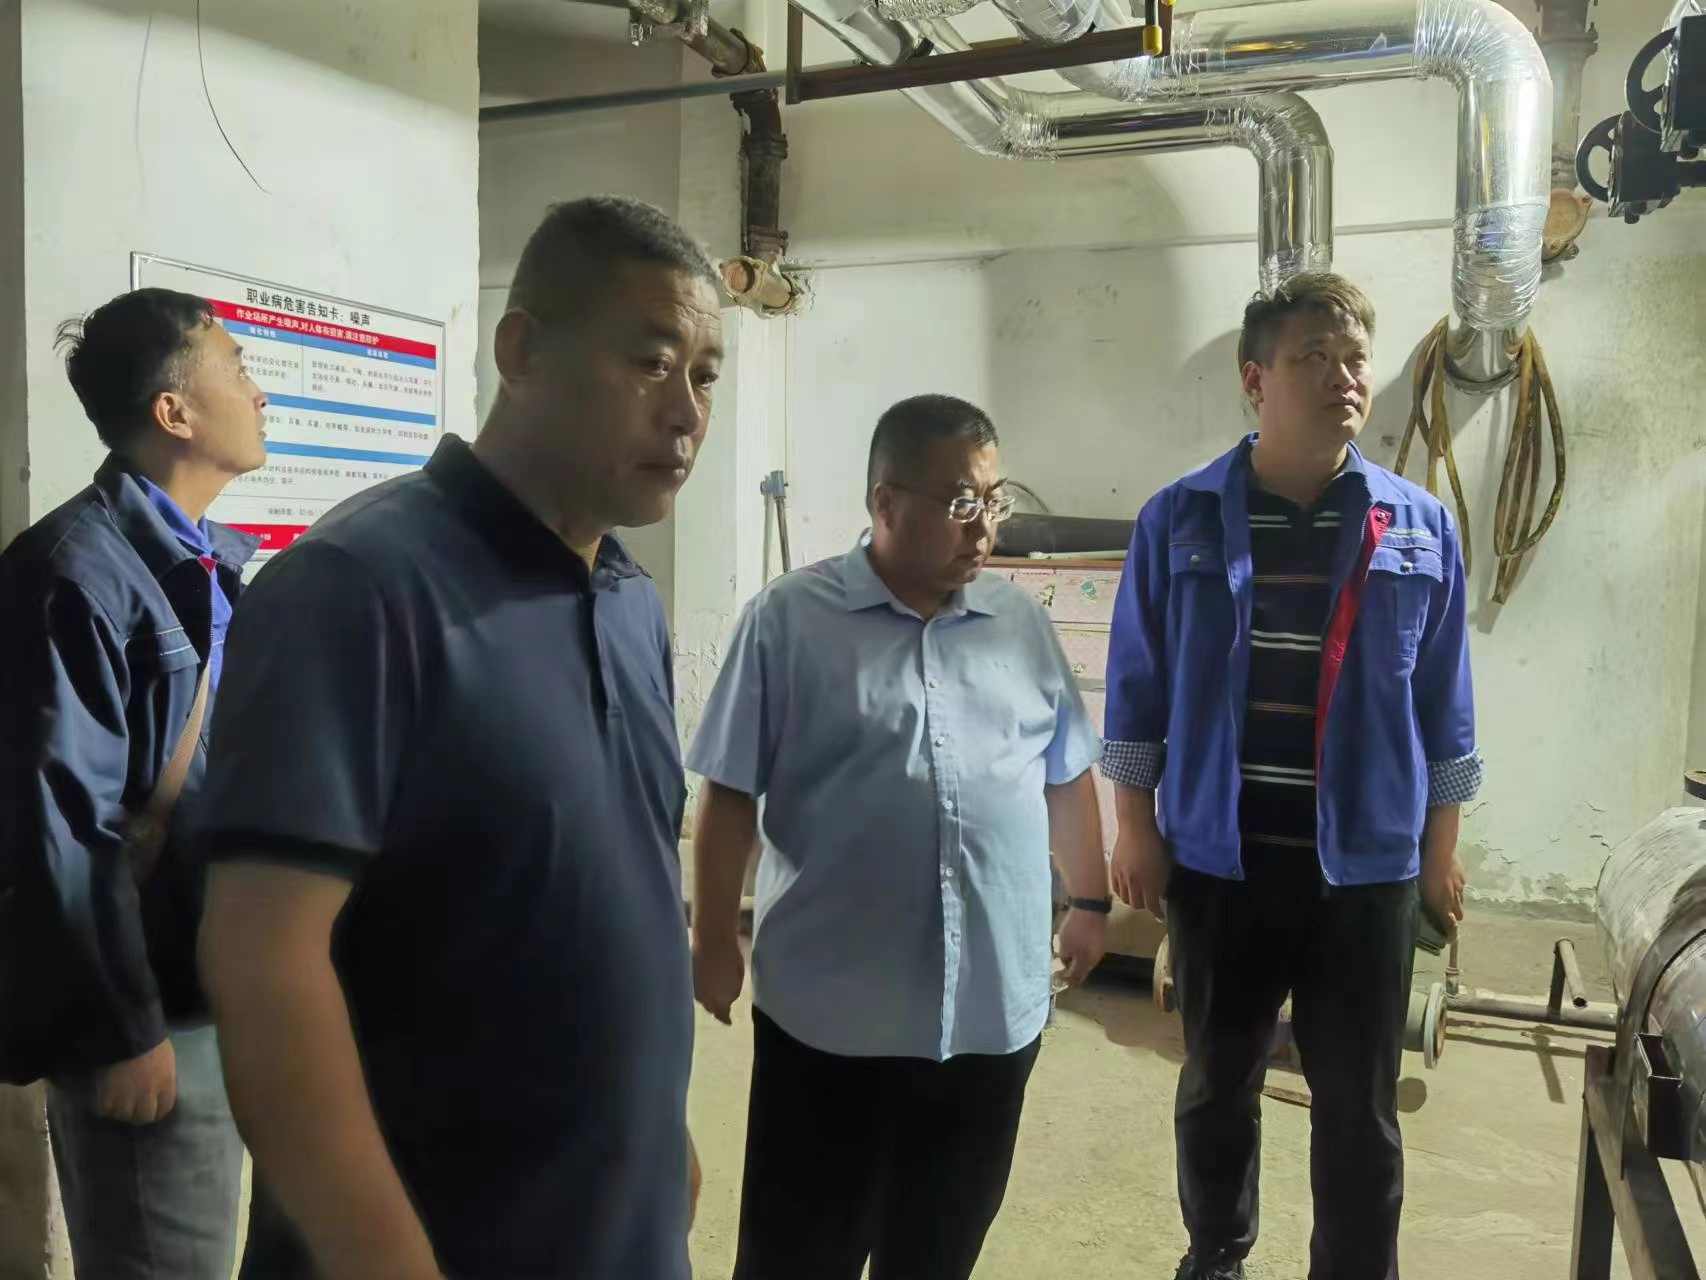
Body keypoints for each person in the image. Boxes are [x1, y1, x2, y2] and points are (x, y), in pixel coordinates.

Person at [194, 196, 723, 1280]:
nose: (685, 413)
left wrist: (649, 1132)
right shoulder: (357, 589)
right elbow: (262, 963)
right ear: (520, 351)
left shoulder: (628, 601)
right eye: (651, 362)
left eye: (705, 377)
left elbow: (591, 889)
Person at [1102, 274, 1477, 1280]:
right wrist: (1133, 826)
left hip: (1364, 871)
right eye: (1312, 356)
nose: (1341, 376)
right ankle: (1215, 1252)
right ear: (1254, 379)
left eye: (1353, 358)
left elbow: (1445, 705)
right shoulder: (1176, 518)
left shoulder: (1418, 526)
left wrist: (1440, 848)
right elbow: (1135, 689)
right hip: (1220, 863)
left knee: (1358, 1104)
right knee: (1215, 1083)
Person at [689, 393, 1112, 1280]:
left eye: (994, 499)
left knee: (939, 1249)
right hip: (831, 1021)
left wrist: (1089, 900)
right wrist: (713, 939)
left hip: (990, 1014)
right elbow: (727, 792)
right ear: (885, 503)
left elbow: (1065, 771)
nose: (984, 526)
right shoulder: (789, 621)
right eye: (961, 501)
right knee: (798, 1254)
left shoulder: (1020, 623)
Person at [0, 288, 266, 1278]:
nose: (260, 393)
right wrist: (122, 1030)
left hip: (214, 987)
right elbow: (62, 823)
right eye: (237, 368)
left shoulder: (204, 564)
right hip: (149, 1013)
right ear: (174, 411)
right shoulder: (73, 573)